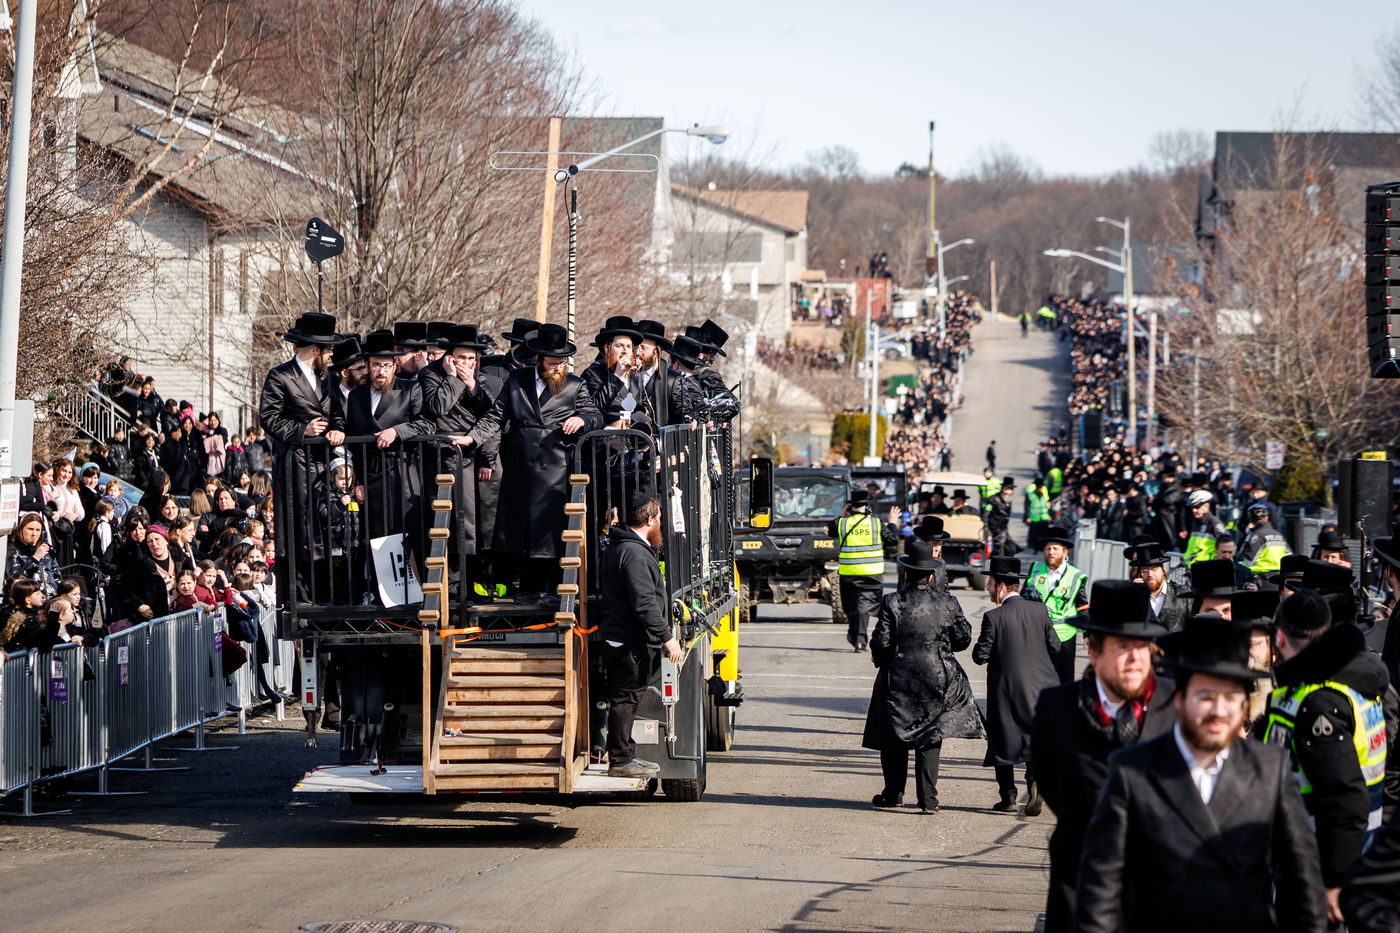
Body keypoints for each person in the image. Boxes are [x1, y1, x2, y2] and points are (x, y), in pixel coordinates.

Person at [1075, 613, 1327, 933]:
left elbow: (1303, 879)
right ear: (1179, 699)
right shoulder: (1132, 771)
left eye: (1231, 698)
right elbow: (1101, 886)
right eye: (1206, 697)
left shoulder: (1269, 768)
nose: (1219, 711)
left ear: (1244, 705)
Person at [1030, 580, 1175, 933]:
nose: (1135, 658)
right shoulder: (1056, 707)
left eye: (1142, 646)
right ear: (1093, 651)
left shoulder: (1177, 705)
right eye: (1122, 646)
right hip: (1079, 876)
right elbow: (1048, 778)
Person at [1264, 589, 1389, 926]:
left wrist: (1335, 880)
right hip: (1353, 849)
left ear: (1279, 637)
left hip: (1318, 861)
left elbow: (1345, 797)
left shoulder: (1318, 701)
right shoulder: (1351, 682)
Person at [464, 323, 602, 603]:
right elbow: (495, 416)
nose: (557, 368)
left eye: (561, 363)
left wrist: (581, 419)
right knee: (521, 527)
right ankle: (526, 587)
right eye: (552, 363)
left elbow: (595, 415)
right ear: (539, 359)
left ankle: (553, 588)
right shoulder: (517, 380)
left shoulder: (575, 384)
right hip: (521, 465)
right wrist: (472, 438)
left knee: (551, 528)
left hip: (556, 466)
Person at [863, 541, 983, 814]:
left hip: (899, 674)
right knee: (931, 735)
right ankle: (928, 799)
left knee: (894, 734)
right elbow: (963, 639)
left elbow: (881, 641)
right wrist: (941, 647)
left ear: (906, 573)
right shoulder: (948, 602)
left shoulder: (893, 601)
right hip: (937, 675)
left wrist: (880, 660)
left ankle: (893, 794)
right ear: (930, 576)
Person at [257, 311, 345, 602]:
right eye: (328, 350)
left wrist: (337, 430)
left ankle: (326, 594)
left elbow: (338, 413)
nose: (331, 355)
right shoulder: (281, 375)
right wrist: (301, 429)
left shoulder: (330, 378)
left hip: (325, 464)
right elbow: (268, 418)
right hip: (295, 464)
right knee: (300, 528)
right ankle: (301, 596)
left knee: (325, 524)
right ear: (316, 350)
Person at [598, 493, 682, 778]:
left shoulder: (623, 546)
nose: (660, 524)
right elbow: (644, 602)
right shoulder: (633, 553)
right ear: (650, 520)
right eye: (659, 519)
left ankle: (625, 756)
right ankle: (621, 760)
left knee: (626, 697)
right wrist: (667, 638)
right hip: (628, 641)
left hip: (622, 636)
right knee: (625, 698)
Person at [974, 554, 1058, 815]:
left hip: (1007, 689)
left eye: (990, 583)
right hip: (1042, 687)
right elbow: (1055, 646)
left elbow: (980, 656)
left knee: (1002, 740)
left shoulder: (994, 616)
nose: (988, 588)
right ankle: (1034, 782)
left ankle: (1008, 797)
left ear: (1000, 586)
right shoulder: (1040, 610)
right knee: (1035, 737)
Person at [827, 487, 899, 652]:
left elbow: (830, 530)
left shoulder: (842, 523)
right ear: (867, 506)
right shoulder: (876, 523)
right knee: (857, 608)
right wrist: (892, 523)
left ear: (849, 506)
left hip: (849, 574)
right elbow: (893, 540)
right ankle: (856, 636)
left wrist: (843, 515)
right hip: (871, 574)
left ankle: (859, 640)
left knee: (856, 606)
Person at [1022, 525, 1087, 683]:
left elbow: (1083, 606)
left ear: (1065, 552)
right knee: (1036, 677)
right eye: (1048, 548)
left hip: (1064, 635)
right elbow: (1023, 596)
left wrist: (1088, 634)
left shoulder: (1076, 576)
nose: (1050, 552)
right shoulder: (1035, 569)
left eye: (1055, 549)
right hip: (1037, 633)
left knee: (1064, 679)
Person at [1124, 536, 1190, 632]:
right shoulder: (1129, 594)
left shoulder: (1184, 595)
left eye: (1154, 569)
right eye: (1145, 570)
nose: (1150, 574)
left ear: (1163, 571)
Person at [1239, 501, 1291, 582]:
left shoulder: (1257, 535)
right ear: (1267, 517)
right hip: (1279, 578)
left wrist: (1236, 567)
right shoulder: (1278, 535)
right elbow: (1290, 556)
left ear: (1250, 519)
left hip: (1261, 579)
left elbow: (1247, 560)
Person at [1183, 489, 1228, 565]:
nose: (1194, 510)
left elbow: (1228, 545)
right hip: (1192, 567)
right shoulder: (1195, 521)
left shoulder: (1214, 523)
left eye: (1197, 507)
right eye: (1192, 507)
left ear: (1206, 506)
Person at [984, 476, 1017, 556]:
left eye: (1011, 489)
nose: (1010, 491)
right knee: (999, 549)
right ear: (1003, 489)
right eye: (1008, 489)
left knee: (1011, 548)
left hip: (1003, 529)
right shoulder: (993, 499)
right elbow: (985, 515)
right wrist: (987, 530)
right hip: (995, 529)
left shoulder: (1008, 500)